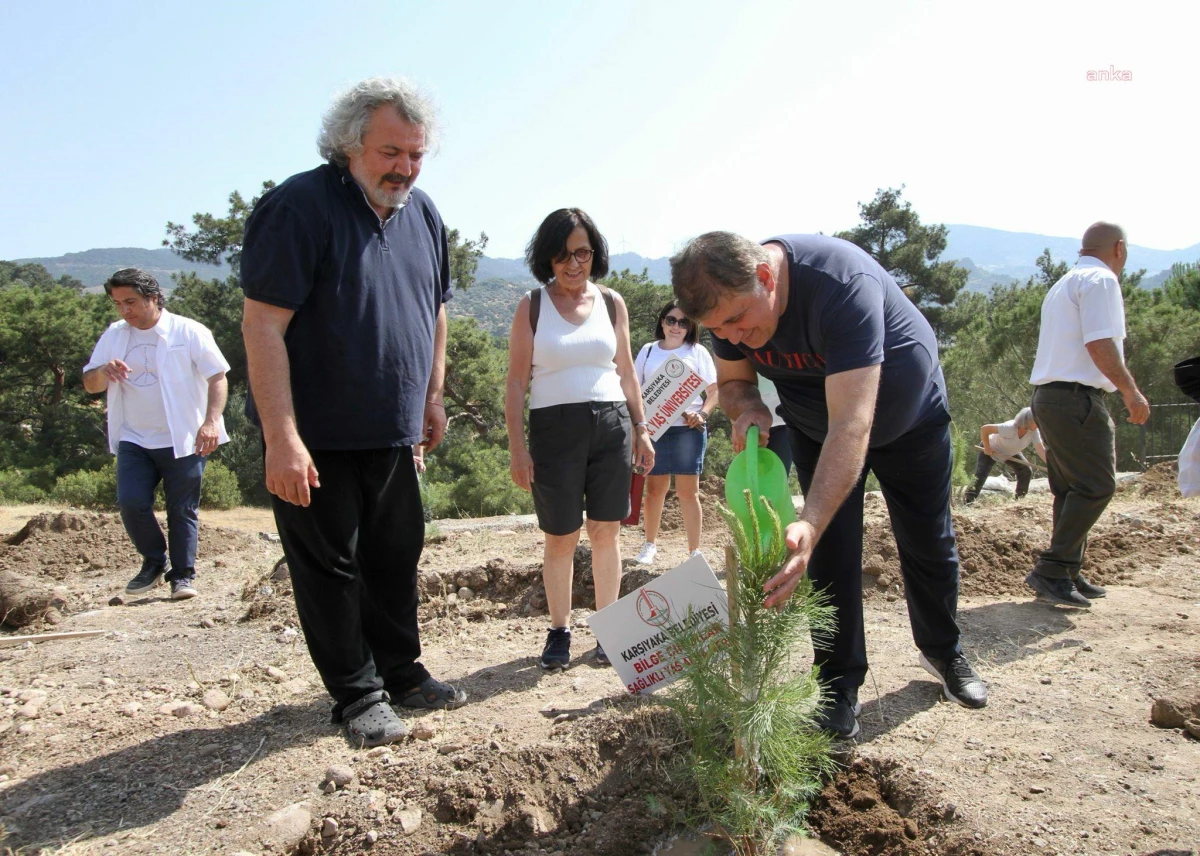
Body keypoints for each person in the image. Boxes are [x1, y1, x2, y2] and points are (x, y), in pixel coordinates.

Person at [671, 232, 988, 740]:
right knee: (829, 558)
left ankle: (944, 652)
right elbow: (734, 383)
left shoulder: (841, 285)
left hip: (906, 420)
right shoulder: (726, 311)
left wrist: (812, 518)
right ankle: (838, 686)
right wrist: (746, 405)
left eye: (738, 319)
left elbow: (853, 425)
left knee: (928, 541)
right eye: (718, 329)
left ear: (767, 277)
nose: (734, 335)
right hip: (818, 425)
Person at [240, 77, 465, 748]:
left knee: (396, 554)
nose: (404, 168)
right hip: (316, 436)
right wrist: (282, 439)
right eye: (390, 151)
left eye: (415, 155)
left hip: (393, 428)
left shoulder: (423, 213)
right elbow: (262, 328)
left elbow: (437, 310)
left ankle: (401, 672)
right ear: (349, 145)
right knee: (330, 567)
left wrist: (430, 393)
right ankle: (357, 695)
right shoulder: (297, 207)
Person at [505, 208, 655, 672]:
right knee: (561, 535)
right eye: (563, 255)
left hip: (611, 425)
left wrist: (642, 429)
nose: (573, 264)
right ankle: (559, 630)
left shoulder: (612, 303)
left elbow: (627, 372)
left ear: (595, 254)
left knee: (606, 530)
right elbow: (514, 383)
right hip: (553, 430)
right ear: (547, 258)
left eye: (582, 253)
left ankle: (608, 630)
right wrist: (517, 446)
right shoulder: (532, 305)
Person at [82, 268, 230, 601]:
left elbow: (218, 378)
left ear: (153, 297)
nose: (124, 310)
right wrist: (104, 372)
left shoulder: (188, 331)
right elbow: (90, 384)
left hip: (185, 438)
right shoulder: (114, 335)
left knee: (182, 510)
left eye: (130, 302)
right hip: (135, 437)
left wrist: (211, 422)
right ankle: (153, 561)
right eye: (118, 304)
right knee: (131, 503)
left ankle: (182, 576)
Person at [1026, 222, 1150, 607]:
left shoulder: (1065, 282)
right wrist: (1131, 392)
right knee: (1097, 486)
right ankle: (1053, 569)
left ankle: (1067, 572)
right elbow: (1099, 343)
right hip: (1076, 400)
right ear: (1119, 248)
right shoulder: (1101, 281)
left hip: (1049, 398)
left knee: (1071, 489)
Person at [632, 301, 718, 564]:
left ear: (690, 326)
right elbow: (635, 390)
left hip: (687, 431)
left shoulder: (698, 352)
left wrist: (702, 414)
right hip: (654, 430)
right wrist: (638, 429)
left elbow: (714, 392)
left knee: (688, 492)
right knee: (655, 490)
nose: (676, 326)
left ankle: (694, 551)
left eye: (683, 322)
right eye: (671, 320)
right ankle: (650, 545)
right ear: (662, 322)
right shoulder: (647, 351)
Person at [962, 407, 1046, 504]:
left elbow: (1041, 450)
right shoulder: (1010, 427)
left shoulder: (1034, 432)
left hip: (1010, 453)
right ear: (1028, 421)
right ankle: (967, 502)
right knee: (981, 474)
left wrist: (1052, 465)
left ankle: (1019, 500)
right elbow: (985, 429)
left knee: (1026, 471)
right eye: (1036, 421)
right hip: (992, 448)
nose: (1039, 424)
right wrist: (987, 447)